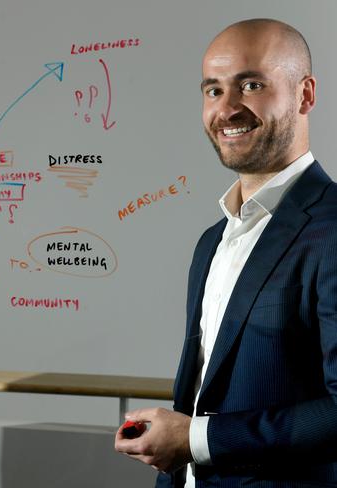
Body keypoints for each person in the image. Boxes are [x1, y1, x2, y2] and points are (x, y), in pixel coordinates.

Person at [114, 18, 337, 487]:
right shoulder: (212, 241)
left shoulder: (333, 228)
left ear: (305, 95)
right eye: (213, 91)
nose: (228, 109)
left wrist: (198, 439)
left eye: (251, 85)